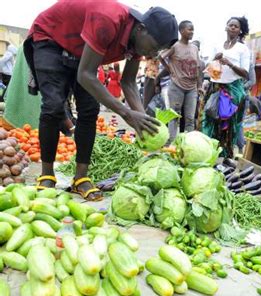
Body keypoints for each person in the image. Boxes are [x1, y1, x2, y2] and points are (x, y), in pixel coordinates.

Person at [24, 1, 178, 200]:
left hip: (81, 50)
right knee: (53, 106)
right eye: (155, 47)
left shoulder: (138, 42)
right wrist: (125, 113)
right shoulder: (109, 19)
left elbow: (129, 82)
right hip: (51, 38)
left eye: (159, 51)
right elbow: (86, 75)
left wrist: (142, 120)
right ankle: (46, 174)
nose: (154, 54)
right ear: (141, 29)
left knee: (89, 109)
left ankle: (81, 178)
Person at [201, 16, 250, 158]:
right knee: (210, 120)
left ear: (240, 31)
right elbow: (207, 68)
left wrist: (229, 63)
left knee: (229, 125)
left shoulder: (243, 49)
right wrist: (214, 60)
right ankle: (208, 153)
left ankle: (225, 156)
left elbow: (245, 74)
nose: (233, 28)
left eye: (236, 26)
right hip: (215, 87)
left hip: (232, 90)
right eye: (231, 25)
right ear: (226, 27)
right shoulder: (217, 45)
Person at [159, 20, 201, 142]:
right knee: (174, 117)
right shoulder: (175, 46)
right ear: (181, 31)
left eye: (193, 29)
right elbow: (161, 57)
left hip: (192, 88)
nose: (192, 32)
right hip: (177, 87)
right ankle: (170, 143)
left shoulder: (194, 48)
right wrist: (170, 69)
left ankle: (188, 144)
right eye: (189, 29)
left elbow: (197, 67)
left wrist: (199, 86)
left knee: (190, 118)